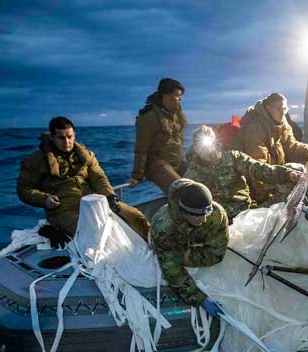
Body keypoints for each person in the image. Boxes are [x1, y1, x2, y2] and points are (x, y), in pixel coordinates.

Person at [17, 116, 150, 244]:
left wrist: (110, 197)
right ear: (52, 138)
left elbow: (99, 178)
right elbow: (24, 189)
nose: (66, 142)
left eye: (70, 137)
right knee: (92, 233)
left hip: (93, 202)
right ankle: (54, 228)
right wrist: (44, 199)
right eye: (61, 138)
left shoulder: (86, 155)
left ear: (74, 135)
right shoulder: (35, 161)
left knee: (136, 216)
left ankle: (155, 246)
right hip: (63, 209)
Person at [185, 125, 302, 221]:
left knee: (290, 190)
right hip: (219, 222)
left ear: (214, 143)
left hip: (246, 213)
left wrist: (287, 174)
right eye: (200, 145)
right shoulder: (191, 175)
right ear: (195, 148)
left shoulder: (233, 158)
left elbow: (259, 169)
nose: (206, 149)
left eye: (208, 144)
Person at [233, 92, 308, 205]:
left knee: (301, 172)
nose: (283, 113)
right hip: (261, 187)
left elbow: (292, 147)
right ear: (268, 108)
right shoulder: (255, 130)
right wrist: (266, 200)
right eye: (279, 109)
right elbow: (258, 171)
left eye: (285, 109)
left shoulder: (281, 124)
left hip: (275, 176)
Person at [149, 178, 229, 309]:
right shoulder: (163, 227)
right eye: (198, 216)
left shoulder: (216, 214)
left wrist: (186, 255)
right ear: (184, 212)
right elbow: (172, 270)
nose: (204, 219)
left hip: (187, 247)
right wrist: (199, 299)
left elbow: (216, 254)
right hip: (168, 246)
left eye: (206, 213)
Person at [128, 78, 188, 192]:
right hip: (156, 164)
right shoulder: (148, 116)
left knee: (204, 178)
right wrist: (136, 176)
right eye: (177, 96)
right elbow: (141, 148)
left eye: (181, 96)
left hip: (176, 162)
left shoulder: (177, 115)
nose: (180, 99)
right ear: (166, 96)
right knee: (182, 189)